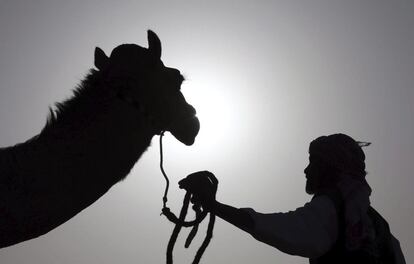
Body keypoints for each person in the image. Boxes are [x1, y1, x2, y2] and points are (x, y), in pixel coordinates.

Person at [179, 133, 406, 263]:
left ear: (331, 167)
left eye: (313, 162)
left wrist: (213, 206)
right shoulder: (380, 228)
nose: (306, 170)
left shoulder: (332, 207)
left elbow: (280, 228)